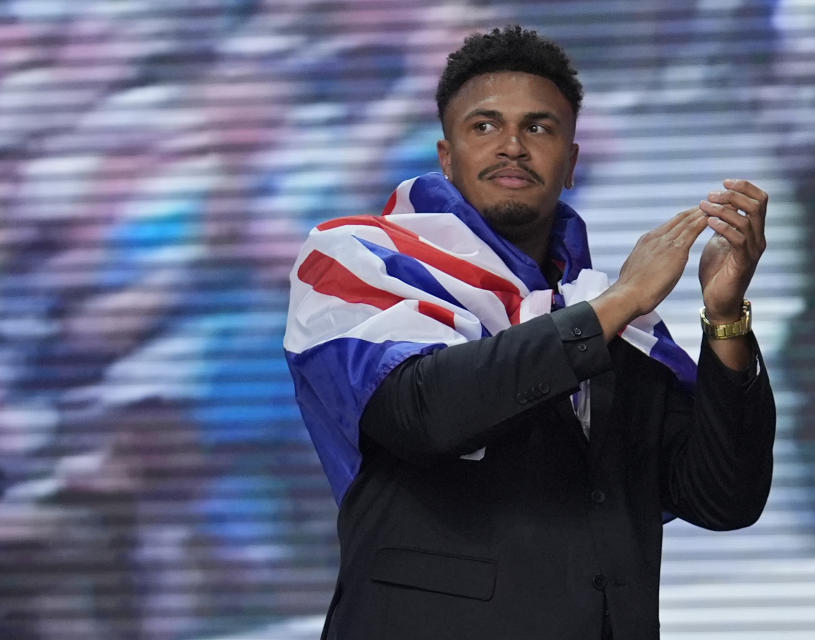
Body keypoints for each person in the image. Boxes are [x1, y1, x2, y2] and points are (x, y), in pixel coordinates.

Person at [284, 25, 775, 640]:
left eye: (539, 128)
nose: (512, 145)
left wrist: (724, 315)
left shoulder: (614, 316)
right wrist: (619, 301)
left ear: (570, 162)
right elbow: (422, 412)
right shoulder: (363, 255)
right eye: (484, 126)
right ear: (446, 156)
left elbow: (722, 497)